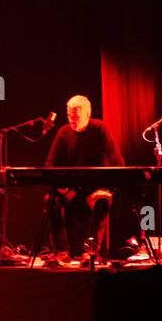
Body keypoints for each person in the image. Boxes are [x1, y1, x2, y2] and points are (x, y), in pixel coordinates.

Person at [44, 94, 124, 264]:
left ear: (88, 114)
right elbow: (50, 165)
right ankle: (61, 252)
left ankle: (90, 253)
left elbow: (118, 163)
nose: (72, 120)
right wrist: (63, 189)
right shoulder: (63, 133)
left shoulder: (99, 129)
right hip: (71, 190)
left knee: (103, 201)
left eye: (76, 116)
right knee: (50, 201)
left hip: (95, 189)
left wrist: (107, 189)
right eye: (69, 116)